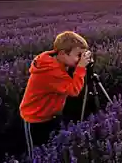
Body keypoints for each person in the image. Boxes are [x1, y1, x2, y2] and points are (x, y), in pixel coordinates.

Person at [19, 31, 92, 159]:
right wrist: (80, 68)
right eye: (78, 55)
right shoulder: (51, 71)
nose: (80, 59)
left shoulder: (59, 62)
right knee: (37, 155)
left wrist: (78, 64)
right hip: (35, 119)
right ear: (63, 53)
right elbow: (73, 90)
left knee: (54, 149)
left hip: (51, 115)